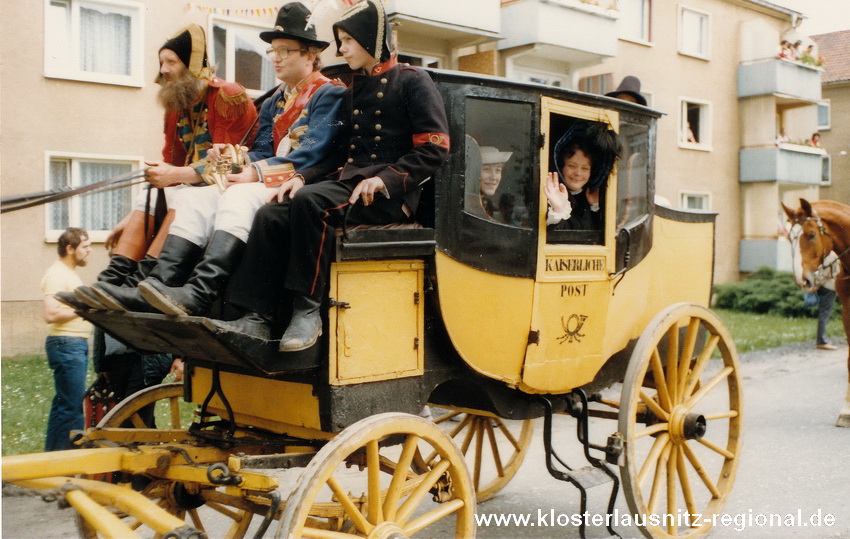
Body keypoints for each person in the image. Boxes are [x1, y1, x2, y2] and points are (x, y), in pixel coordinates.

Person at [83, 3, 344, 317]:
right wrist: (233, 157)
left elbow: (313, 152)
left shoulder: (329, 93)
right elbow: (261, 149)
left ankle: (199, 292)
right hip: (266, 179)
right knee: (195, 199)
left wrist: (253, 173)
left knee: (237, 194)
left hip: (299, 182)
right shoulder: (276, 98)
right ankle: (158, 282)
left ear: (310, 54)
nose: (275, 58)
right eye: (272, 50)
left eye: (285, 50)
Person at [223, 0, 450, 351]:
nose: (341, 49)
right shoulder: (353, 90)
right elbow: (334, 153)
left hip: (389, 197)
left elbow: (434, 147)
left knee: (311, 202)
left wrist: (386, 180)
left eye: (347, 41)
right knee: (270, 212)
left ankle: (307, 311)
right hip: (348, 186)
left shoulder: (413, 82)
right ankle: (255, 315)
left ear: (371, 40)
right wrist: (301, 176)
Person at [57, 23, 257, 311]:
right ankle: (112, 282)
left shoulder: (227, 95)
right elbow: (170, 165)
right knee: (147, 193)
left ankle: (143, 281)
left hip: (229, 188)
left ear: (191, 64)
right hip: (194, 189)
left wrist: (175, 175)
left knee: (186, 195)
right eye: (161, 62)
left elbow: (228, 162)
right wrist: (132, 217)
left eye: (170, 62)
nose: (163, 69)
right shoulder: (177, 105)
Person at [41, 228, 93, 451]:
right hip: (66, 344)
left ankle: (52, 459)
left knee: (67, 405)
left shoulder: (69, 273)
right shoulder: (56, 274)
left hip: (74, 344)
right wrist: (85, 310)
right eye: (85, 246)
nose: (89, 251)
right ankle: (62, 461)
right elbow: (50, 314)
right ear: (70, 249)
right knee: (70, 407)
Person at [544, 120, 619, 231]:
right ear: (561, 167)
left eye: (584, 168)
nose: (578, 173)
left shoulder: (587, 201)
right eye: (572, 166)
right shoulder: (548, 198)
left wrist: (594, 206)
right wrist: (558, 209)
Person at [478, 146, 513, 220]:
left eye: (498, 170)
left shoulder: (487, 204)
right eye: (486, 169)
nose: (493, 177)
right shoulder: (466, 202)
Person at [815, 252, 840, 350]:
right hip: (828, 287)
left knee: (824, 314)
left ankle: (822, 339)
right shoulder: (831, 256)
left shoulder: (828, 255)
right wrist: (816, 285)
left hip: (827, 287)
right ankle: (821, 341)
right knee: (824, 314)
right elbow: (824, 274)